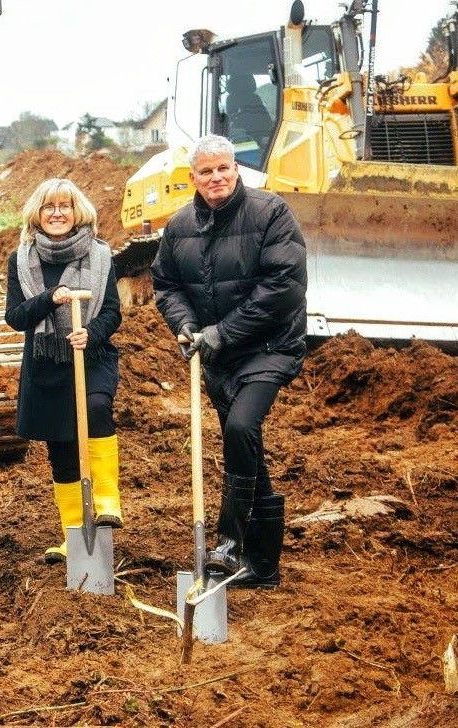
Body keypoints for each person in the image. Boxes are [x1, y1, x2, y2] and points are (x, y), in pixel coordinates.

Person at [151, 134, 307, 588]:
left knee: (241, 427)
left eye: (224, 168)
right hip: (217, 357)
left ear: (235, 169)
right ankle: (264, 566)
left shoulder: (270, 211)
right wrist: (186, 327)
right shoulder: (179, 225)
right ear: (193, 178)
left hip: (268, 347)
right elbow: (166, 285)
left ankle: (230, 542)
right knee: (247, 450)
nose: (216, 177)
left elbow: (284, 287)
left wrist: (221, 332)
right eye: (206, 171)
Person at [4, 178, 123, 565]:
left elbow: (111, 312)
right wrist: (46, 299)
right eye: (48, 207)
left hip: (92, 355)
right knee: (62, 449)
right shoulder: (21, 259)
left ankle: (107, 502)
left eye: (64, 206)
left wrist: (91, 334)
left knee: (96, 406)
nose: (57, 213)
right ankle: (74, 535)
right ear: (37, 215)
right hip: (45, 363)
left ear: (77, 212)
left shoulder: (102, 255)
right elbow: (16, 317)